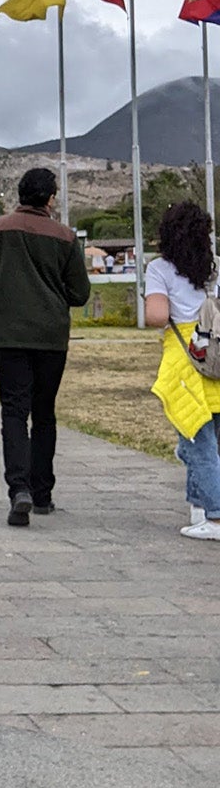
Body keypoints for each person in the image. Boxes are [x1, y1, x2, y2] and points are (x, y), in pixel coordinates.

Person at [0, 166, 91, 527]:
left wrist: (2, 301)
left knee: (14, 411)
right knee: (45, 414)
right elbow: (80, 292)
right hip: (52, 338)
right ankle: (43, 494)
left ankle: (17, 490)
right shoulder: (66, 238)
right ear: (51, 198)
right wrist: (53, 300)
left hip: (9, 336)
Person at [145, 200, 220, 541]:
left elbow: (157, 316)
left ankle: (215, 517)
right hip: (216, 355)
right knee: (208, 439)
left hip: (186, 358)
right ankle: (199, 507)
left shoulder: (159, 269)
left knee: (195, 441)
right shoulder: (216, 268)